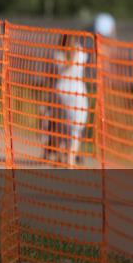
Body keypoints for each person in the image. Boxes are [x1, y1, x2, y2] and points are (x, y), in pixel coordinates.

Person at [50, 34, 91, 167]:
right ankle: (70, 159)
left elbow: (52, 73)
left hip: (61, 90)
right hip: (77, 91)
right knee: (76, 128)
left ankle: (60, 154)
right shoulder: (81, 53)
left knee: (61, 126)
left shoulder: (57, 53)